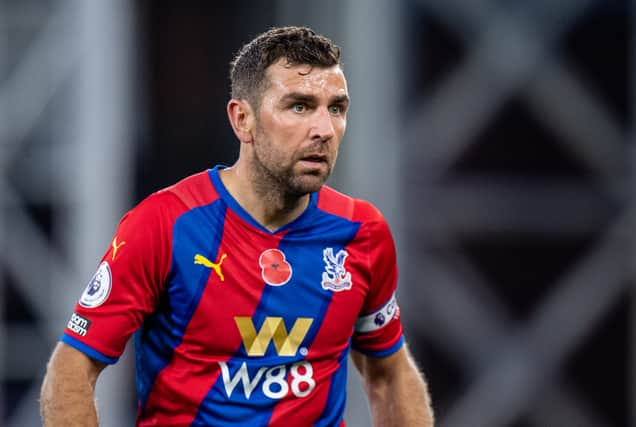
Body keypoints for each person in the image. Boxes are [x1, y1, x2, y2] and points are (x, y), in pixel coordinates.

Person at [40, 26, 434, 426]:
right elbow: (72, 369)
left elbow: (390, 374)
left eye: (336, 108)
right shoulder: (165, 224)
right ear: (242, 119)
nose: (324, 130)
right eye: (299, 106)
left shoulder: (362, 232)